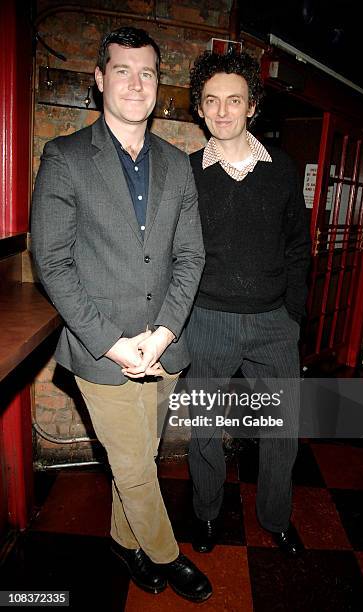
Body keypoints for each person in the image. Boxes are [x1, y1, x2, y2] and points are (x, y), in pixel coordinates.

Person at [31, 27, 212, 603]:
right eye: (124, 70)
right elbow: (53, 263)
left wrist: (162, 335)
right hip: (99, 347)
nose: (136, 83)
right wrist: (114, 343)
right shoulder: (63, 158)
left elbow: (191, 255)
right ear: (100, 79)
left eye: (148, 73)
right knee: (134, 463)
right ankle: (165, 553)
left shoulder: (178, 165)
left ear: (158, 86)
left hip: (165, 346)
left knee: (143, 454)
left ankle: (120, 538)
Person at [185, 50, 311, 555]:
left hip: (273, 323)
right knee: (204, 431)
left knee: (283, 431)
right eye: (211, 101)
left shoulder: (282, 169)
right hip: (207, 321)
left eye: (233, 100)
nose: (222, 111)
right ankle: (207, 514)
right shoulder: (186, 171)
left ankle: (276, 517)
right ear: (199, 107)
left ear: (252, 106)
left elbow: (299, 246)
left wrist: (294, 315)